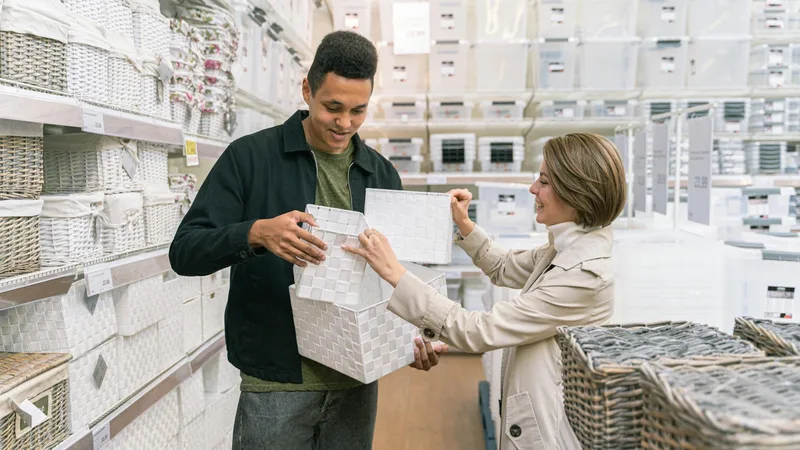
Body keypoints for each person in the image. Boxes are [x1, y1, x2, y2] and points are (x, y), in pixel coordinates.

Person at [169, 30, 442, 450]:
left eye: (358, 110)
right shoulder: (250, 157)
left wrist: (415, 336)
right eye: (333, 107)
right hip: (276, 380)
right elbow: (185, 251)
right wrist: (256, 232)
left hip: (356, 379)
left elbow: (397, 275)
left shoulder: (382, 175)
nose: (345, 123)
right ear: (307, 90)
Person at [343, 133, 627, 450]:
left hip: (550, 432)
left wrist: (395, 272)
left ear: (578, 192)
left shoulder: (583, 277)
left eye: (544, 182)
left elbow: (477, 331)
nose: (533, 189)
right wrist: (464, 224)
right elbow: (505, 266)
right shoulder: (564, 247)